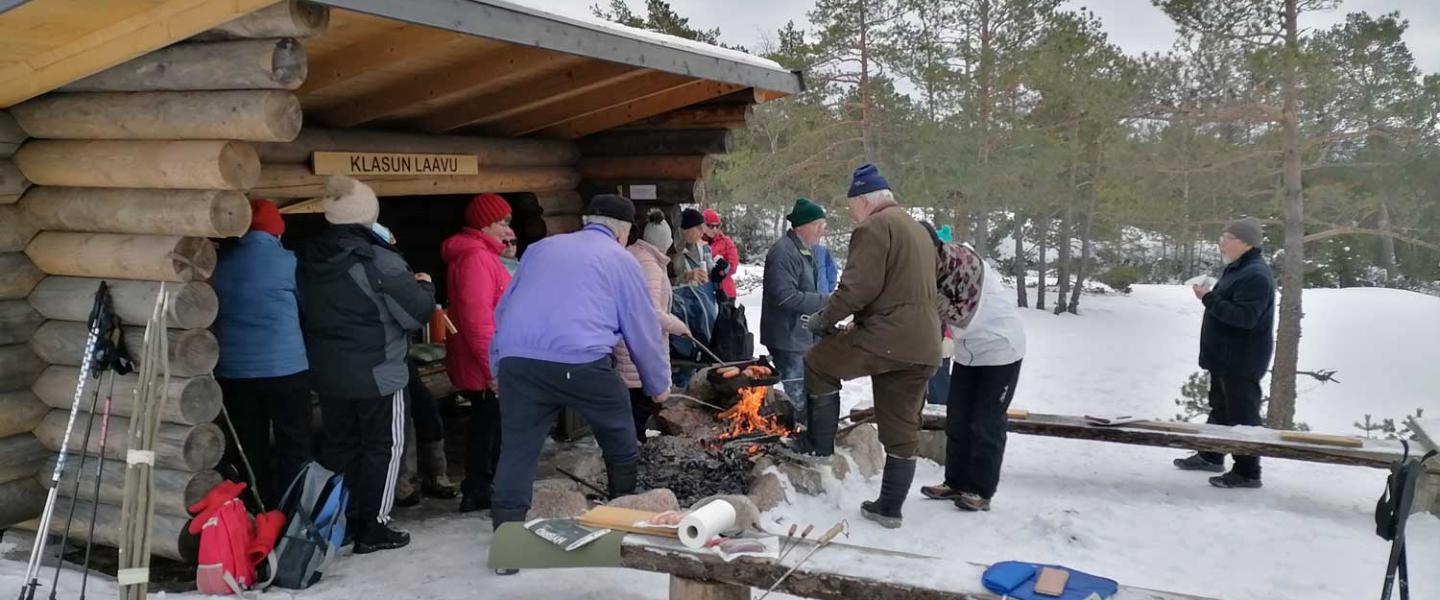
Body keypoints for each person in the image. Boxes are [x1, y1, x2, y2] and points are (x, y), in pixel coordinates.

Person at [488, 195, 669, 553]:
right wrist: (657, 385)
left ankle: (506, 546)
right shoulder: (621, 260)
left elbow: (505, 308)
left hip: (519, 363)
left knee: (518, 450)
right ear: (623, 232)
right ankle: (623, 517)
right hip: (581, 361)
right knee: (619, 431)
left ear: (587, 221)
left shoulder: (540, 249)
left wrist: (497, 364)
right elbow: (642, 328)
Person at [296, 176, 435, 554]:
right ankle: (374, 525)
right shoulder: (380, 261)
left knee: (341, 445)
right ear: (367, 215)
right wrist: (424, 285)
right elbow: (416, 314)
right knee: (384, 448)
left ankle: (341, 518)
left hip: (328, 372)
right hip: (379, 374)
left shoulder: (307, 257)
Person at [800, 164, 941, 529]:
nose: (851, 213)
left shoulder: (874, 227)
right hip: (923, 344)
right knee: (901, 426)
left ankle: (818, 447)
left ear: (864, 200)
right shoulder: (917, 229)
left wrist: (823, 320)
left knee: (818, 362)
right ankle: (889, 508)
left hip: (885, 339)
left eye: (852, 205)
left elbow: (857, 288)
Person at [918, 223, 1028, 512]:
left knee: (986, 422)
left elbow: (965, 317)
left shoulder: (965, 264)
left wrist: (933, 308)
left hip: (1000, 347)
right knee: (958, 419)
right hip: (968, 353)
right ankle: (955, 481)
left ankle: (980, 490)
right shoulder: (929, 269)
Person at [211, 199, 311, 508]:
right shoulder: (290, 263)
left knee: (249, 446)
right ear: (278, 232)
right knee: (293, 444)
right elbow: (308, 308)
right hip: (286, 370)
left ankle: (258, 509)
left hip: (235, 372)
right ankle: (294, 511)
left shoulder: (220, 264)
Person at [1174, 217, 1275, 489]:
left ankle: (1248, 472)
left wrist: (1208, 298)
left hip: (1241, 359)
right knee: (1220, 408)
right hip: (1225, 357)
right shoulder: (1238, 269)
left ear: (1245, 242)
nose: (1222, 242)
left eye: (1227, 237)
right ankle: (1210, 454)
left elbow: (1245, 318)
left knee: (1243, 417)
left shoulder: (1255, 274)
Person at [441, 193, 514, 512]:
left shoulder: (480, 254)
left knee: (490, 426)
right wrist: (493, 370)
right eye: (501, 222)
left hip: (485, 359)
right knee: (487, 428)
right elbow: (478, 321)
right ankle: (478, 491)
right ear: (484, 224)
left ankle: (485, 486)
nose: (507, 229)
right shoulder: (476, 258)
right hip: (484, 363)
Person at [618, 210, 691, 443]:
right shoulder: (649, 265)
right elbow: (650, 311)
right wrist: (678, 326)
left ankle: (632, 442)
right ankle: (633, 447)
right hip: (640, 343)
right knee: (640, 400)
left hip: (628, 340)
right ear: (664, 242)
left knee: (633, 401)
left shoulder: (633, 255)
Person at [760, 198, 829, 426]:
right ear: (801, 226)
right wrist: (824, 301)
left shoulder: (805, 250)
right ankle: (799, 436)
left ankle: (808, 433)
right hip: (787, 337)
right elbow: (785, 296)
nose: (822, 230)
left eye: (823, 224)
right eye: (817, 224)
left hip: (802, 335)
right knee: (797, 396)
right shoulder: (783, 252)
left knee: (807, 392)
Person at [702, 208, 740, 301]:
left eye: (717, 226)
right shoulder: (697, 242)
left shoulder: (726, 242)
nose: (714, 229)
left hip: (725, 291)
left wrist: (722, 270)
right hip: (704, 292)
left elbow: (733, 265)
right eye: (710, 226)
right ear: (703, 225)